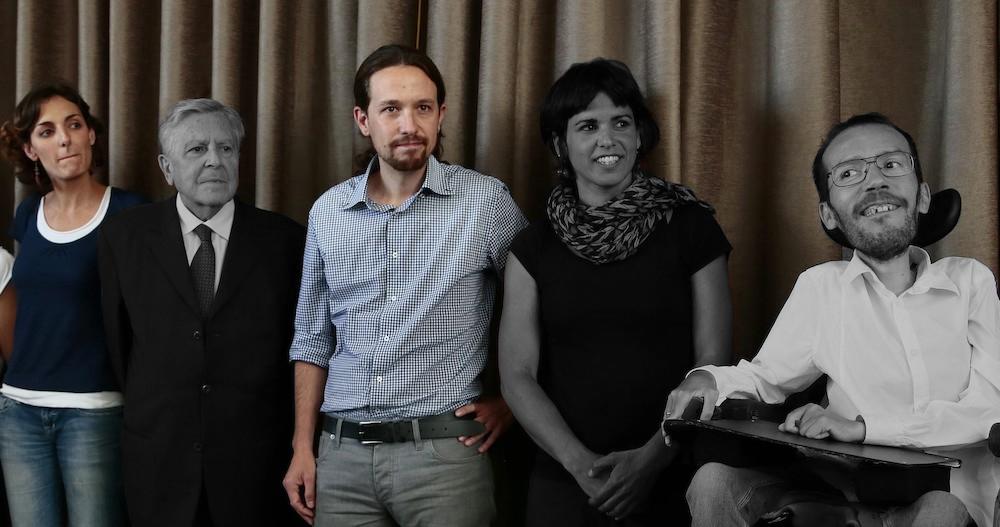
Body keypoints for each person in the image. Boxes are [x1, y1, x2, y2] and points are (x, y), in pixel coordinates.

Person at [665, 113, 1000, 527]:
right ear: (828, 215)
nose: (875, 181)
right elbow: (764, 379)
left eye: (891, 164)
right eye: (849, 173)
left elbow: (989, 409)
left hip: (949, 501)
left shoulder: (970, 282)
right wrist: (706, 379)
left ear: (924, 196)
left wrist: (863, 428)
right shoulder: (821, 287)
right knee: (713, 482)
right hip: (845, 497)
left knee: (941, 511)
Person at [282, 44, 527, 526]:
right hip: (340, 459)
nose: (409, 125)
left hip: (444, 457)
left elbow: (541, 306)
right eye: (391, 109)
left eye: (423, 108)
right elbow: (311, 340)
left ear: (441, 115)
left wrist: (512, 403)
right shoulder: (328, 212)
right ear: (363, 119)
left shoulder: (484, 203)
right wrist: (302, 448)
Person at [498, 59, 732, 526]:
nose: (608, 139)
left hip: (673, 469)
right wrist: (581, 466)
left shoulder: (691, 228)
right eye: (588, 126)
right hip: (564, 480)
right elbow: (517, 376)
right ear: (561, 145)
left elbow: (713, 362)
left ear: (639, 135)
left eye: (621, 123)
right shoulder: (532, 247)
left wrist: (652, 459)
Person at [98, 98, 305, 527]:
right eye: (197, 149)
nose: (215, 160)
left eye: (226, 148)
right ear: (166, 167)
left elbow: (300, 348)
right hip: (158, 464)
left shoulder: (286, 241)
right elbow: (120, 345)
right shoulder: (124, 238)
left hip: (256, 471)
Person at [0, 82, 145, 527]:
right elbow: (23, 305)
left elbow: (149, 319)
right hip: (18, 410)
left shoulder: (129, 212)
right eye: (47, 132)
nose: (64, 139)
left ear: (91, 134)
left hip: (94, 413)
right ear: (31, 150)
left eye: (74, 125)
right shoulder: (28, 214)